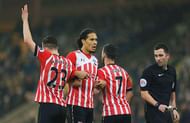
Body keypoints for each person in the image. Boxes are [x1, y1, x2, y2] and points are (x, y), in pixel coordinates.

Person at [21, 4, 88, 123]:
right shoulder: (67, 63)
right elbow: (79, 77)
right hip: (62, 107)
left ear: (45, 48)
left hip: (47, 106)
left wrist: (25, 20)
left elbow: (27, 40)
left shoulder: (46, 56)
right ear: (56, 47)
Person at [139, 43, 180, 123]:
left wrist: (174, 109)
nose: (158, 58)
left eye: (161, 55)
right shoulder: (148, 72)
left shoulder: (172, 71)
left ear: (168, 56)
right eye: (156, 56)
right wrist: (157, 105)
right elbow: (143, 93)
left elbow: (172, 91)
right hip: (153, 112)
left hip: (166, 111)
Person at [66, 28, 98, 123]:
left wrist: (97, 85)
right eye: (91, 39)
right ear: (83, 41)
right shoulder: (73, 55)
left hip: (90, 106)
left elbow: (93, 82)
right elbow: (63, 73)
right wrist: (75, 74)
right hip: (75, 104)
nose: (95, 42)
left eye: (96, 40)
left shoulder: (95, 60)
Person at [96, 43, 133, 123]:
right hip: (126, 112)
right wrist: (121, 104)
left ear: (104, 54)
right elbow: (130, 92)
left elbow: (97, 88)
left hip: (110, 113)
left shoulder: (102, 71)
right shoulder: (124, 72)